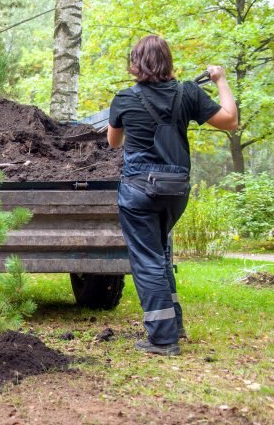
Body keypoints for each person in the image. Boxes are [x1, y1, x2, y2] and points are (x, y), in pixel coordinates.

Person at [107, 35, 237, 356]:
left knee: (147, 260)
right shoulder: (189, 93)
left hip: (138, 192)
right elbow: (230, 120)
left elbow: (113, 142)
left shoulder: (124, 98)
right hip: (176, 191)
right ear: (168, 61)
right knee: (161, 253)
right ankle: (173, 324)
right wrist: (220, 81)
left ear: (136, 63)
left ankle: (163, 340)